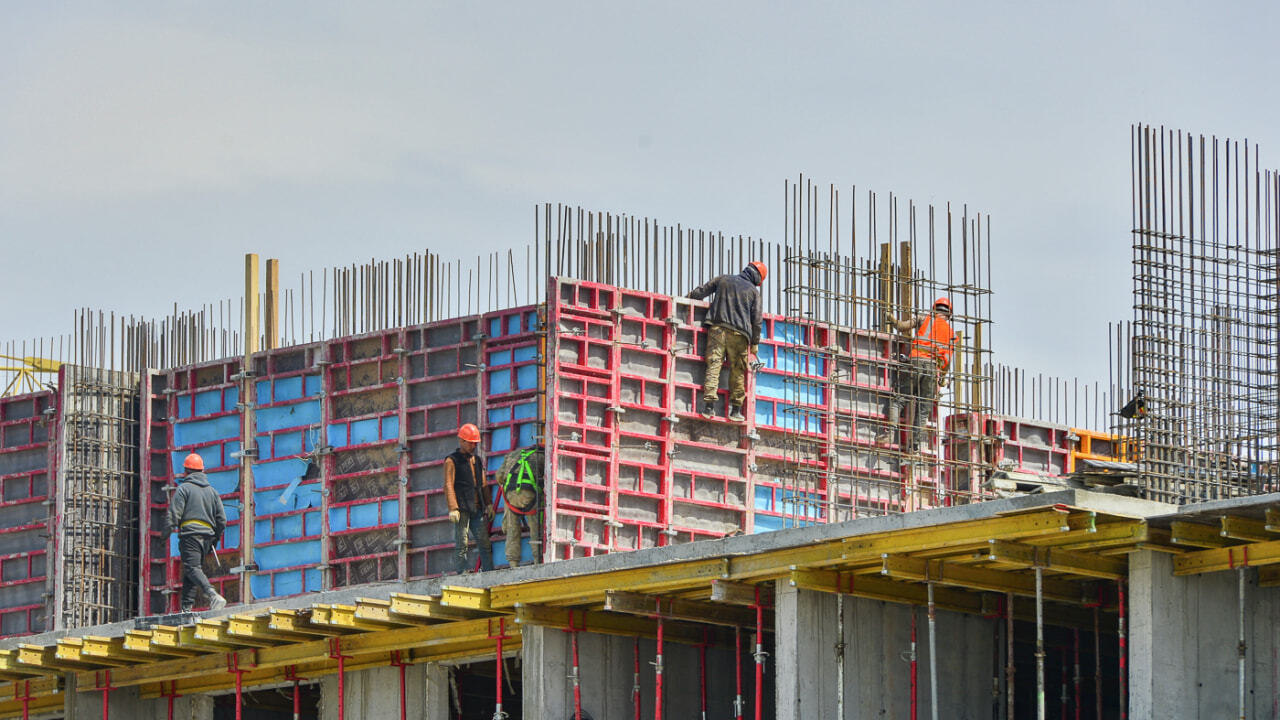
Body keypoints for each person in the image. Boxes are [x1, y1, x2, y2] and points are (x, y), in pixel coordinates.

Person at [688, 261, 766, 422]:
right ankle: (736, 410)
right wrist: (755, 342)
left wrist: (686, 298)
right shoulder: (753, 292)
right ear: (757, 279)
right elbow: (757, 320)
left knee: (714, 364)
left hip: (717, 329)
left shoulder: (723, 279)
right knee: (738, 370)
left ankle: (709, 407)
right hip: (740, 335)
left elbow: (700, 292)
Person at [879, 297, 958, 452]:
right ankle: (914, 445)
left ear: (934, 308)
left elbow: (902, 326)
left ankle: (889, 434)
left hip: (915, 362)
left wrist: (889, 317)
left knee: (899, 400)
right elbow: (947, 360)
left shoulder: (923, 318)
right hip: (933, 368)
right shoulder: (951, 334)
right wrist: (941, 377)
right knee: (923, 408)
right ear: (949, 314)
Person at [168, 452, 227, 612]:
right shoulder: (213, 492)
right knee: (191, 570)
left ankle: (213, 595)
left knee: (192, 568)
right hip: (207, 537)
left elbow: (174, 515)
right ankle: (186, 608)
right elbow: (222, 520)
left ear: (186, 471)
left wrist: (164, 534)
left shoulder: (183, 489)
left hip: (190, 536)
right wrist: (214, 540)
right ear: (202, 471)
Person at [445, 423, 493, 574]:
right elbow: (448, 485)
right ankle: (462, 572)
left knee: (484, 542)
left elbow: (483, 484)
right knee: (462, 542)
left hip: (476, 508)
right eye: (471, 442)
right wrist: (453, 508)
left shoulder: (476, 461)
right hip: (462, 509)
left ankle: (489, 571)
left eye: (475, 443)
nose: (473, 445)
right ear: (462, 441)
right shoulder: (452, 461)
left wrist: (489, 504)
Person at [495, 445, 544, 567]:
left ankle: (513, 563)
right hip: (530, 496)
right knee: (536, 527)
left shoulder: (512, 455)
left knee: (512, 528)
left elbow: (499, 476)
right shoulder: (542, 456)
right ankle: (538, 560)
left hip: (510, 497)